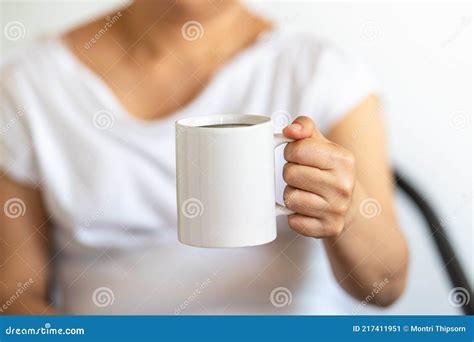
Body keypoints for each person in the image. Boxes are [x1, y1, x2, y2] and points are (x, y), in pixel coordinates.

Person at [0, 0, 408, 315]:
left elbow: (386, 286)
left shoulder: (321, 71)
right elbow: (15, 296)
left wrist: (348, 213)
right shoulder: (29, 85)